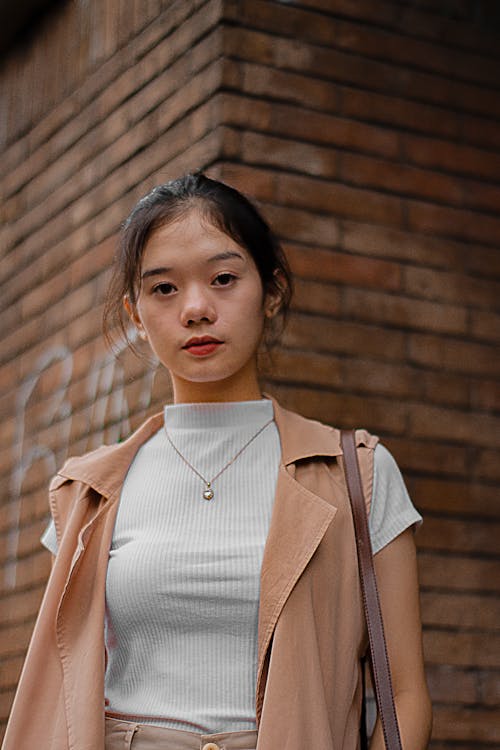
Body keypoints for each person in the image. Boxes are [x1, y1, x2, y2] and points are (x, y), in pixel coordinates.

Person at [3, 173, 432, 750]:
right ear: (136, 314)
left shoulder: (358, 473)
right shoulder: (89, 493)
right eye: (164, 289)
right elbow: (61, 691)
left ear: (271, 291)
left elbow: (405, 693)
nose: (197, 309)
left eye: (223, 279)